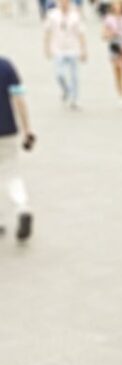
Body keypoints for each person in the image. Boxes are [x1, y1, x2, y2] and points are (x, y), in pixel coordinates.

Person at [0, 56, 35, 243]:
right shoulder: (6, 66)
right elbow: (19, 99)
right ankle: (23, 208)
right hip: (7, 129)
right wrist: (27, 129)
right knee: (11, 174)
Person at [44, 0, 87, 110]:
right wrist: (47, 48)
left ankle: (75, 99)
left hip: (73, 48)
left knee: (74, 76)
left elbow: (81, 33)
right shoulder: (52, 15)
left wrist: (83, 50)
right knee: (59, 74)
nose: (64, 3)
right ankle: (66, 90)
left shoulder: (75, 15)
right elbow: (47, 32)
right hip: (58, 49)